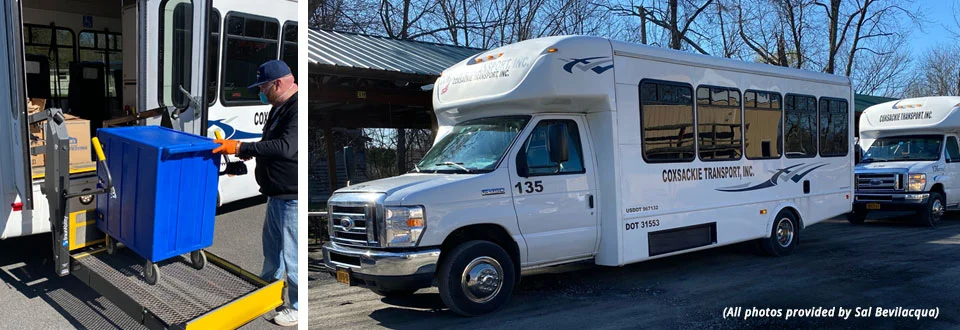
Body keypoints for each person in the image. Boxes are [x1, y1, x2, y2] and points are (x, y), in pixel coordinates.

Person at [212, 60, 299, 327]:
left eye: (264, 87)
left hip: (291, 197)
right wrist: (251, 156)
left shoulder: (297, 108)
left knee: (293, 257)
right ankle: (267, 293)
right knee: (272, 252)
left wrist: (240, 147)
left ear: (279, 83)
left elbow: (286, 147)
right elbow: (268, 144)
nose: (261, 93)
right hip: (275, 194)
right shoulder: (278, 107)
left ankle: (297, 307)